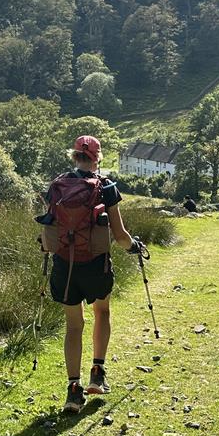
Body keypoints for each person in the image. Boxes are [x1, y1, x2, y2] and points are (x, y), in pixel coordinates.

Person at [42, 135, 143, 414]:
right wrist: (135, 247)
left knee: (73, 326)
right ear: (97, 158)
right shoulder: (106, 187)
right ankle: (97, 373)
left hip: (64, 266)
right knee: (102, 312)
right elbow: (121, 236)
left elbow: (48, 227)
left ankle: (73, 391)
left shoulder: (57, 186)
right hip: (96, 265)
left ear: (74, 156)